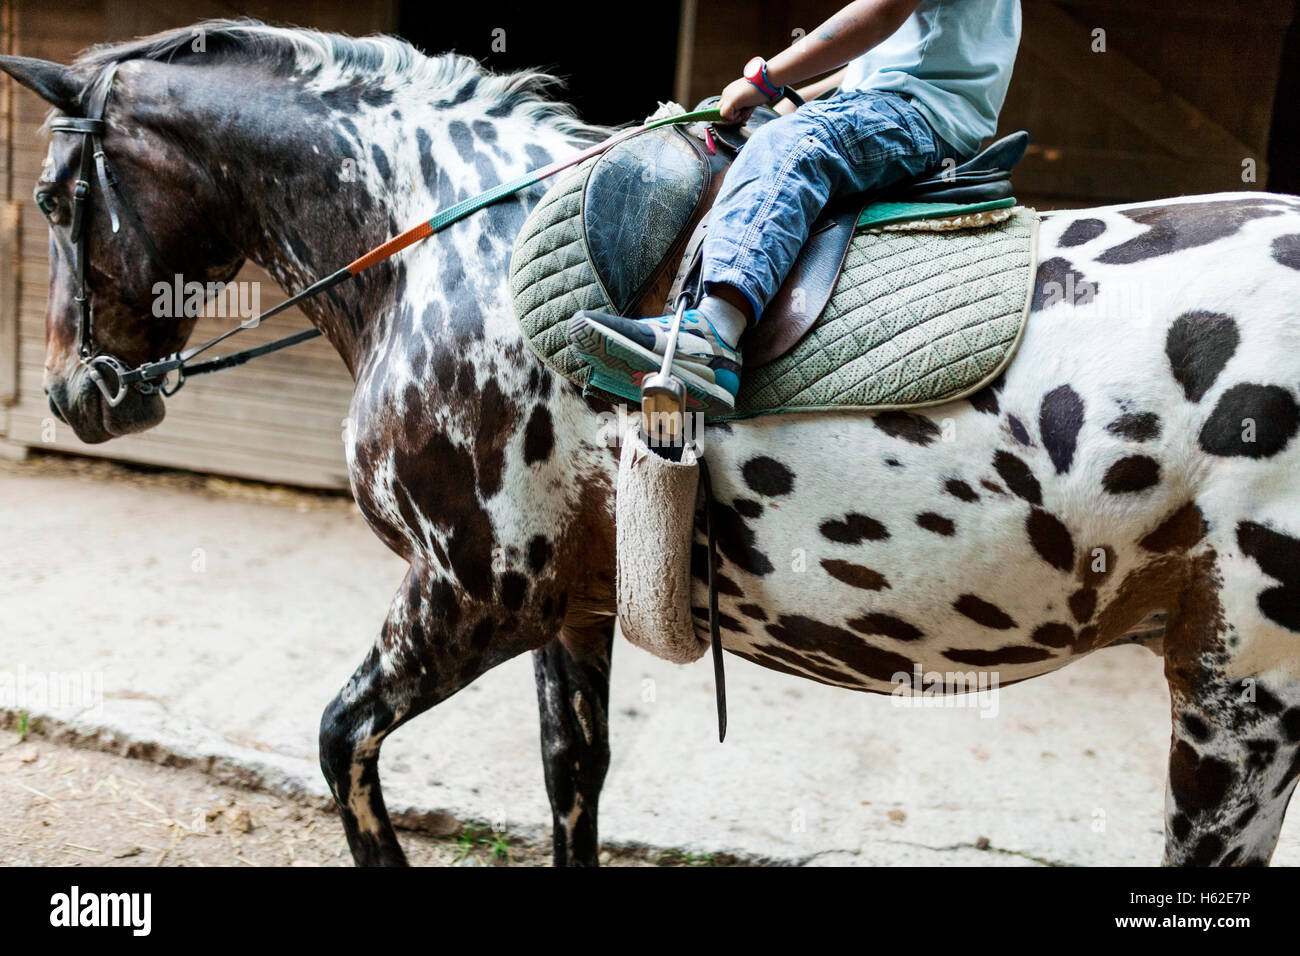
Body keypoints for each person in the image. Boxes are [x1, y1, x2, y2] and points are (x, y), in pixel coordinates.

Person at [568, 0, 1022, 413]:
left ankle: (712, 335)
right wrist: (787, 102)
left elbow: (877, 14)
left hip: (911, 114)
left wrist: (764, 79)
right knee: (775, 135)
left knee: (794, 145)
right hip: (900, 105)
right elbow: (872, 61)